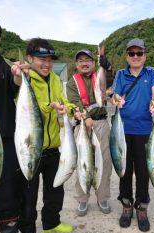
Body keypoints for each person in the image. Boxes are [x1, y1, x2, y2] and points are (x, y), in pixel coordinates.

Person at [12, 38, 81, 233]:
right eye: (42, 58)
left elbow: (62, 101)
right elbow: (21, 100)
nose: (47, 64)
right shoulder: (25, 79)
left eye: (50, 59)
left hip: (53, 147)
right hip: (31, 148)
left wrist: (71, 109)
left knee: (55, 190)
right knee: (28, 196)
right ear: (30, 58)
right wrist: (17, 73)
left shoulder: (54, 79)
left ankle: (51, 223)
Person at [111, 38, 154, 232]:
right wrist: (117, 99)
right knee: (123, 170)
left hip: (144, 132)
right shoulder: (120, 74)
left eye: (139, 53)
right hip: (122, 131)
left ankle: (142, 207)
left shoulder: (153, 72)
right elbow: (114, 94)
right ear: (127, 55)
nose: (135, 57)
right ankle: (126, 205)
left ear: (145, 55)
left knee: (143, 172)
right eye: (131, 53)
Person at [0, 14, 24, 233]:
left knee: (7, 195)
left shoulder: (6, 66)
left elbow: (16, 87)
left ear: (0, 40)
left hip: (4, 142)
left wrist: (19, 77)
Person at [66, 48, 113, 216]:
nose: (84, 63)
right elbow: (73, 101)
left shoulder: (99, 76)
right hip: (82, 125)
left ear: (93, 63)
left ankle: (103, 197)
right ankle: (82, 199)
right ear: (76, 64)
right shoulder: (72, 82)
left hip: (100, 124)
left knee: (104, 163)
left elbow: (109, 79)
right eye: (80, 61)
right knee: (82, 163)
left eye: (88, 60)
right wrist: (85, 118)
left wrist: (107, 66)